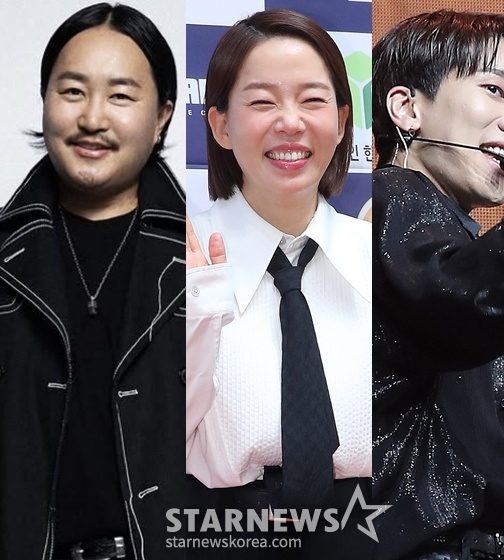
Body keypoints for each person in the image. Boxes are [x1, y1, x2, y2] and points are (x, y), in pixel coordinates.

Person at [372, 10, 504, 560]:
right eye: (494, 90)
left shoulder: (451, 234)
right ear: (407, 108)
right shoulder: (391, 199)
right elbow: (463, 301)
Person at [0, 4, 186, 559]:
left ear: (162, 116)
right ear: (45, 99)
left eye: (121, 96)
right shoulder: (7, 254)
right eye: (73, 91)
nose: (92, 118)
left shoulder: (212, 257)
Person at [186, 9, 372, 560]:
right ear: (221, 125)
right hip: (217, 531)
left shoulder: (382, 259)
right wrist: (197, 318)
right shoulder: (173, 258)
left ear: (342, 121)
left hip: (368, 529)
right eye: (263, 102)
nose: (290, 122)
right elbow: (140, 440)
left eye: (312, 100)